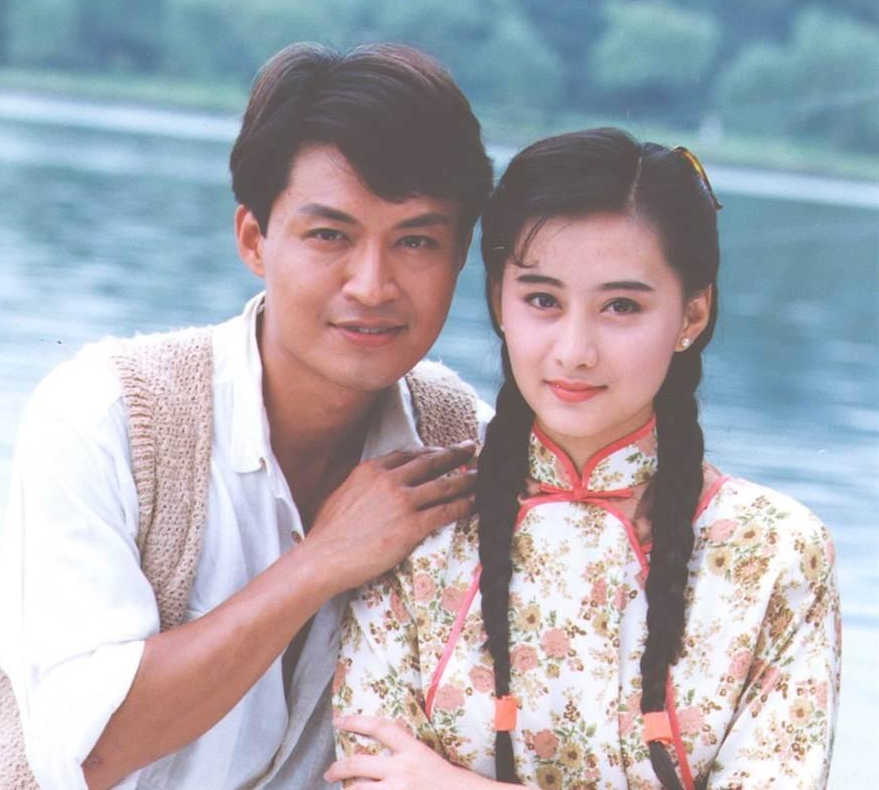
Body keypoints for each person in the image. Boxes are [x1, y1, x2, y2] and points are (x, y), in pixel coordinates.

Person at [0, 43, 493, 789]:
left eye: (416, 241)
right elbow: (89, 750)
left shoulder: (473, 448)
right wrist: (320, 561)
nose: (372, 284)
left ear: (461, 256)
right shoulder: (108, 416)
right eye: (330, 236)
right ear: (254, 239)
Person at [330, 128, 841, 790]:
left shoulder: (772, 551)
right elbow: (368, 774)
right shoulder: (420, 521)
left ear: (692, 315)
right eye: (543, 300)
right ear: (499, 300)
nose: (574, 350)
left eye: (621, 306)